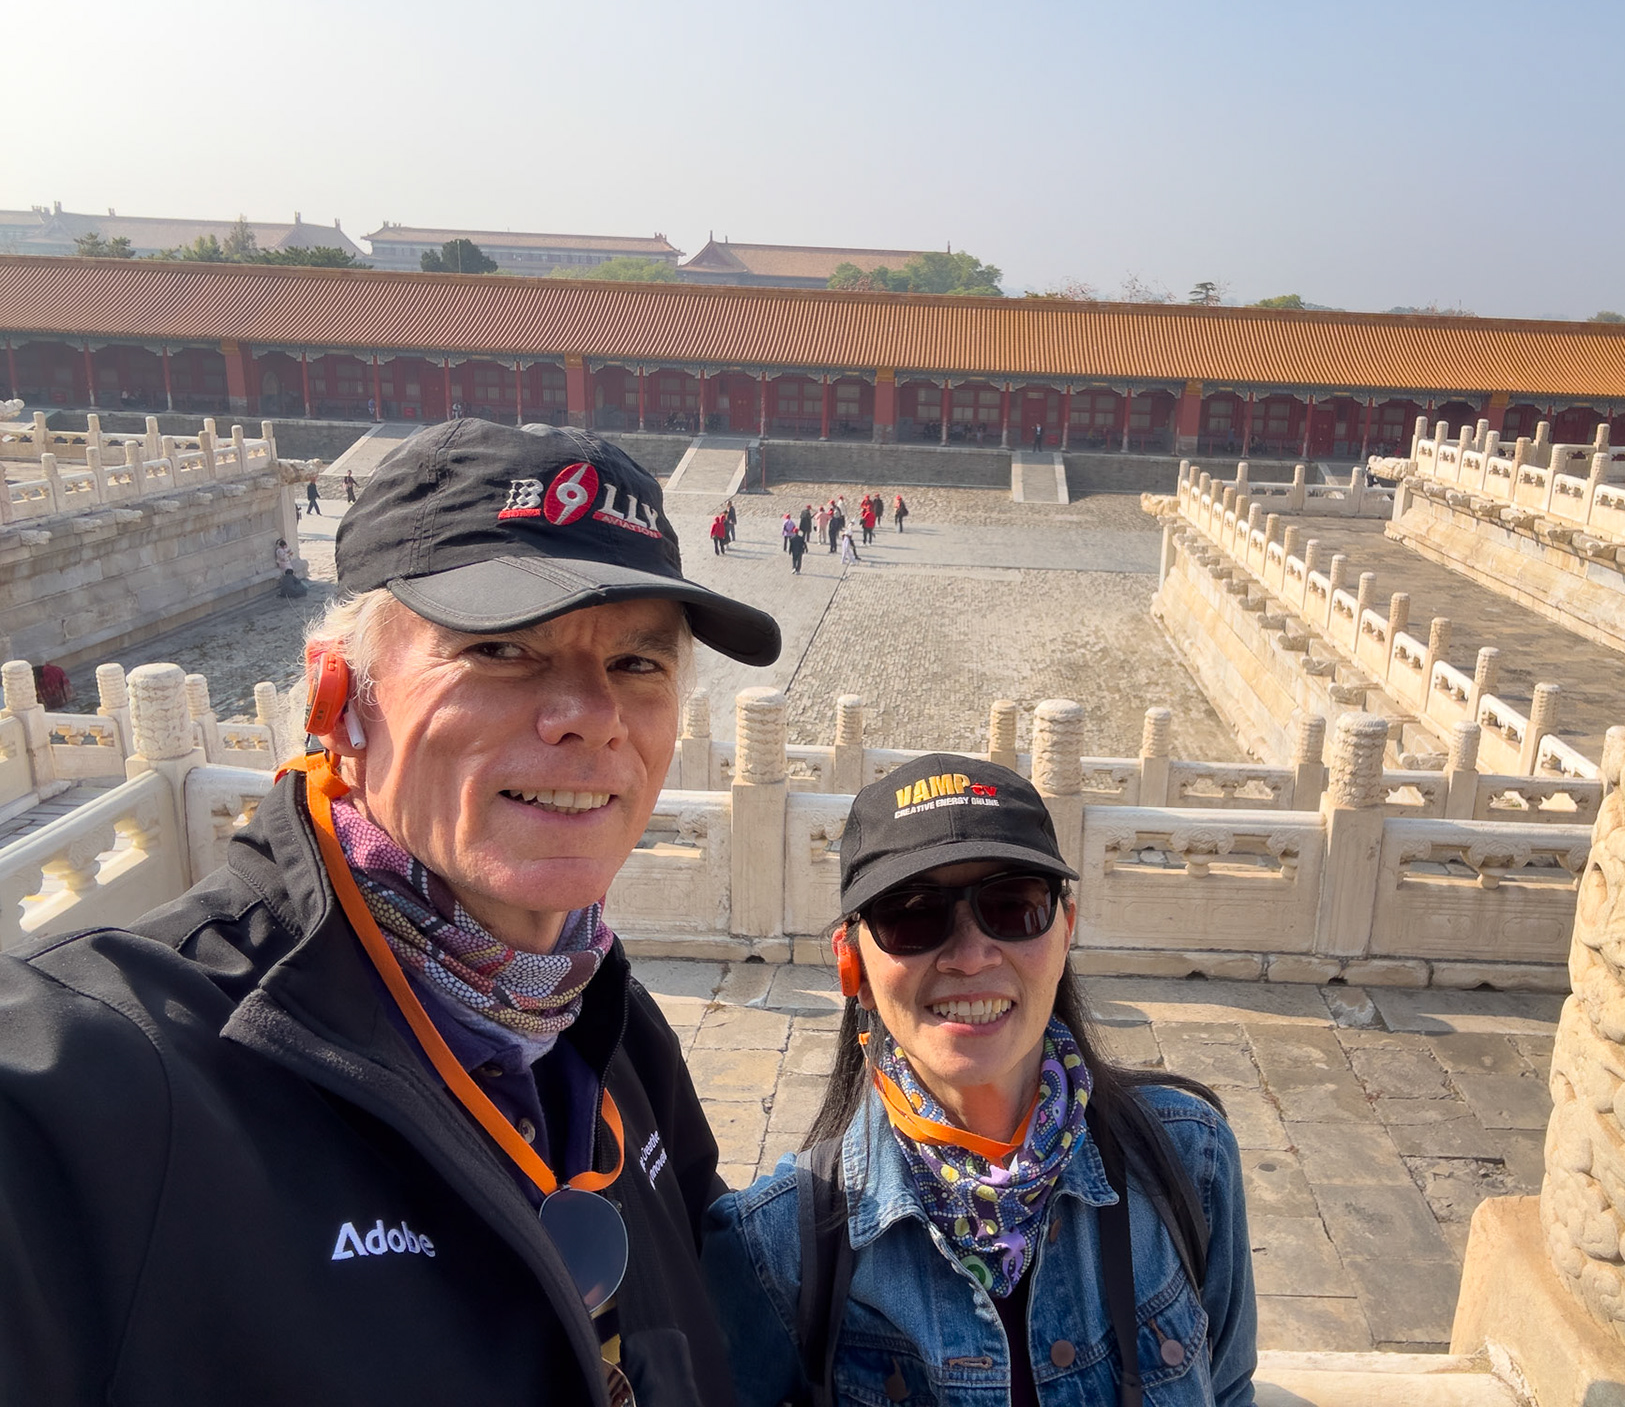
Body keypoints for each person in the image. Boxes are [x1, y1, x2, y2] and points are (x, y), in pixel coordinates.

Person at [0, 419, 782, 1406]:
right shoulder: (119, 1087)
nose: (591, 715)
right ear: (340, 694)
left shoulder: (612, 1028)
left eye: (638, 664)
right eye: (502, 649)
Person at [703, 755, 1255, 1406]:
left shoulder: (1188, 1157)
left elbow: (1228, 1388)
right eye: (911, 915)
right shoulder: (774, 1249)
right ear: (854, 968)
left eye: (1012, 905)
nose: (970, 956)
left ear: (1065, 932)